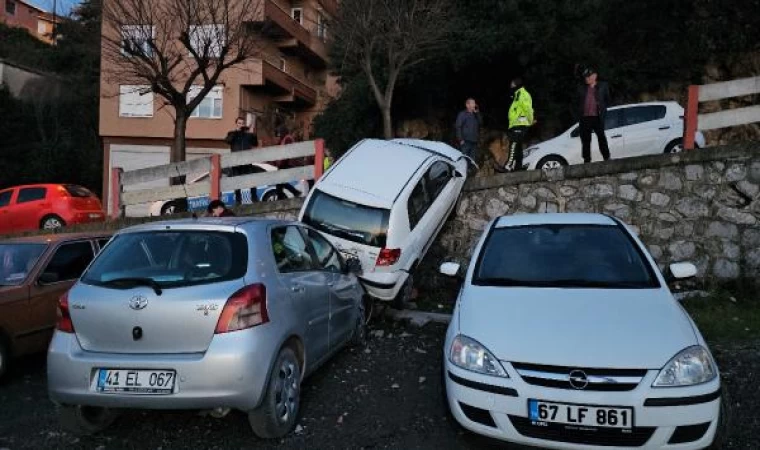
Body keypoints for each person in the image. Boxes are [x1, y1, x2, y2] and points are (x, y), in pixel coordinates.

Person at [496, 77, 534, 173]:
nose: (511, 85)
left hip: (520, 124)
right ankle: (518, 167)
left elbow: (528, 109)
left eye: (512, 84)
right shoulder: (517, 94)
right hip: (517, 124)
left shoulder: (522, 94)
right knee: (518, 146)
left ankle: (508, 166)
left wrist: (530, 120)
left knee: (513, 144)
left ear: (516, 84)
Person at [576, 66, 611, 163]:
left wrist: (603, 110)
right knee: (586, 140)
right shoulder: (581, 87)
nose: (587, 79)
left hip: (597, 117)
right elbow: (577, 101)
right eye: (585, 77)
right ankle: (587, 160)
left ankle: (607, 157)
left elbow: (607, 100)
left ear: (595, 76)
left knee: (601, 137)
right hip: (585, 117)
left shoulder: (603, 86)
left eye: (589, 76)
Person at [225, 117, 259, 204]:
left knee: (251, 180)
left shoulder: (248, 135)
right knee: (237, 182)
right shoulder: (231, 133)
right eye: (239, 123)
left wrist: (252, 133)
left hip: (247, 162)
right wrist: (236, 131)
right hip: (236, 163)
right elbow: (228, 141)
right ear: (236, 124)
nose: (241, 125)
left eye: (242, 123)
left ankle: (254, 199)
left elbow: (255, 143)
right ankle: (238, 201)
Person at [455, 98, 482, 163]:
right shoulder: (462, 114)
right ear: (467, 105)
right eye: (472, 103)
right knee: (463, 159)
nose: (474, 105)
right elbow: (458, 126)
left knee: (472, 160)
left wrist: (477, 113)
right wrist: (460, 139)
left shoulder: (476, 114)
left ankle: (470, 172)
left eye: (474, 103)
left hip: (474, 141)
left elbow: (481, 123)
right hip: (465, 141)